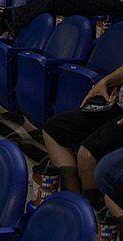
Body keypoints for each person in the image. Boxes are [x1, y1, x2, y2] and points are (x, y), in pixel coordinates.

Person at [38, 65, 123, 205]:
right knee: (53, 130)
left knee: (86, 155)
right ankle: (72, 201)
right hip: (115, 104)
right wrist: (105, 82)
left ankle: (92, 211)